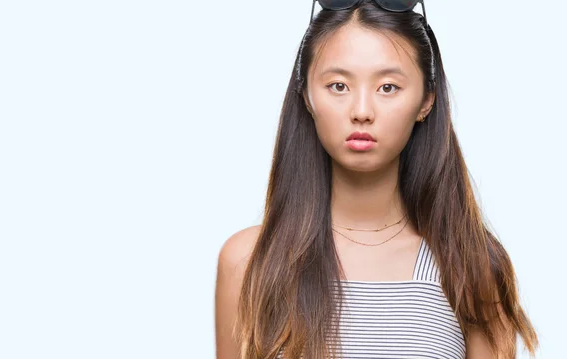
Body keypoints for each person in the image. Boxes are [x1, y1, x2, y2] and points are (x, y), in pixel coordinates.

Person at [215, 1, 539, 358]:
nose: (362, 111)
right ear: (306, 95)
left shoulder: (470, 266)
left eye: (388, 87)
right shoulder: (249, 261)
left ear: (426, 100)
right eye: (338, 86)